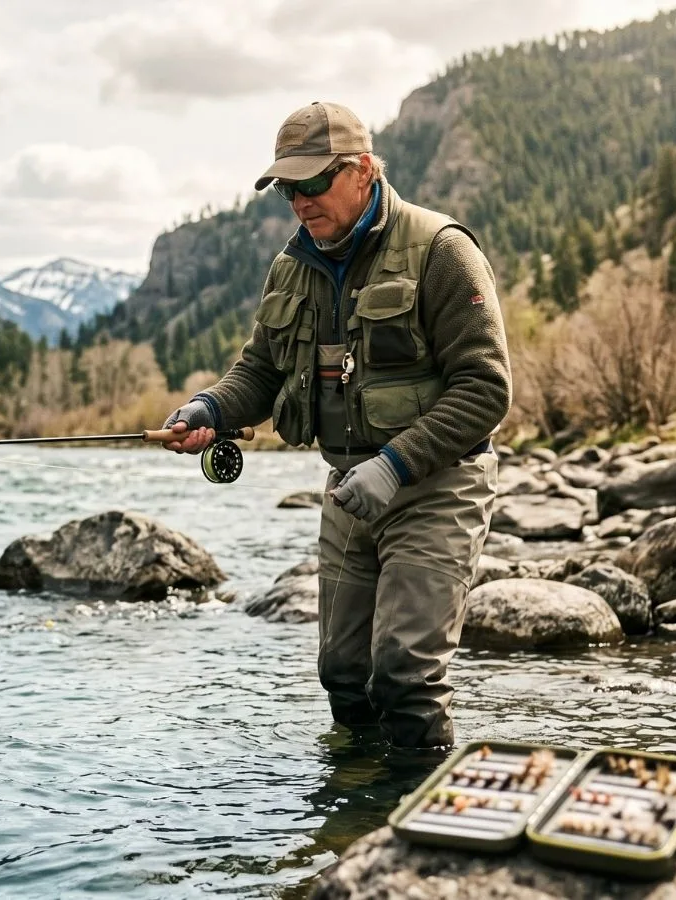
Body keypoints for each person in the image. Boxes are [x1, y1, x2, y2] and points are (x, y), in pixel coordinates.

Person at [162, 101, 511, 752]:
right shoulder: (291, 268)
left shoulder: (441, 250)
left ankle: (419, 823)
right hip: (349, 488)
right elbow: (262, 369)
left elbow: (486, 387)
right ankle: (356, 821)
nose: (300, 200)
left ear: (364, 170)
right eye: (289, 188)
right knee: (344, 676)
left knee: (405, 673)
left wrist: (396, 465)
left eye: (314, 182)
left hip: (438, 482)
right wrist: (208, 409)